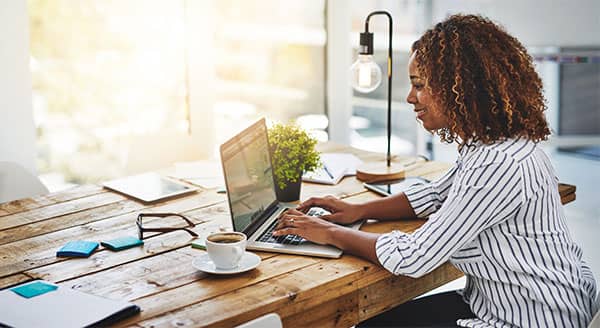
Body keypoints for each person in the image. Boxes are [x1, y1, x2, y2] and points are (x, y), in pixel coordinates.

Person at [273, 14, 598, 327]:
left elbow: (416, 257)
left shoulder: (498, 163)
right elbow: (434, 195)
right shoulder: (492, 144)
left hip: (530, 318)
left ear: (462, 88)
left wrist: (328, 233)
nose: (410, 97)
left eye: (419, 85)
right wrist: (358, 210)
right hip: (506, 301)